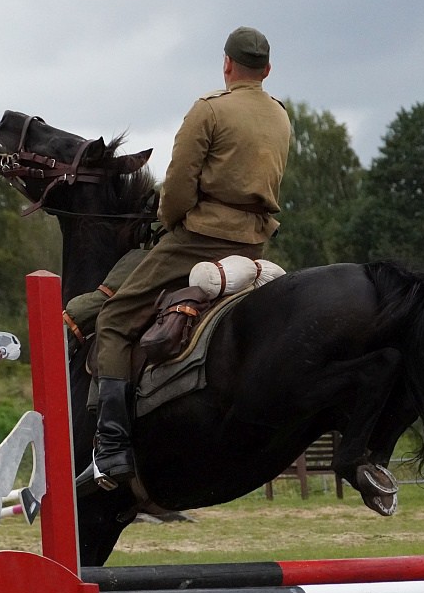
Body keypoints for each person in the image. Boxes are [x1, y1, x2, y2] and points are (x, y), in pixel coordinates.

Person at [90, 26, 292, 489]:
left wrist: (170, 218)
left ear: (226, 64)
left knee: (116, 318)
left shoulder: (210, 110)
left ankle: (111, 445)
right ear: (267, 70)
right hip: (255, 244)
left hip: (200, 239)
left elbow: (179, 183)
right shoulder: (281, 116)